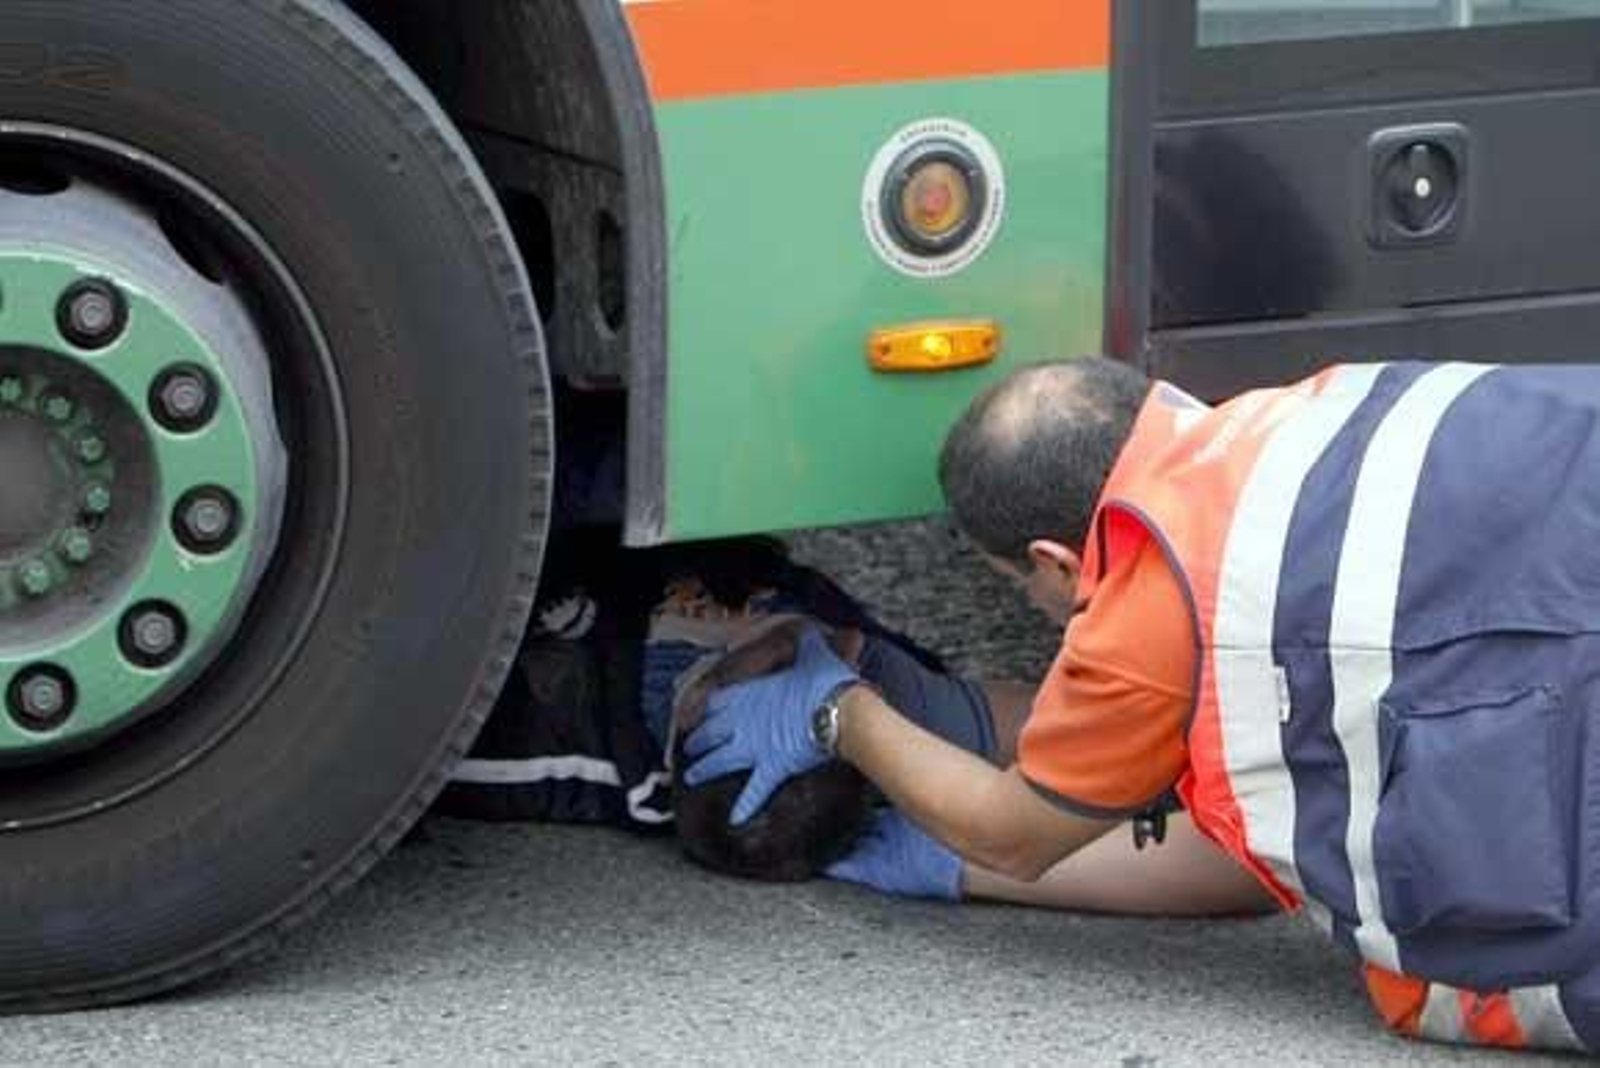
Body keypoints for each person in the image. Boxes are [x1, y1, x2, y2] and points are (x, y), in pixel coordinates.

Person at [683, 357, 1600, 1054]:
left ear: (1055, 561)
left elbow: (1016, 832)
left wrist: (841, 713)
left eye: (1021, 589)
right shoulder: (1288, 421)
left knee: (1452, 958)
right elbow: (1187, 722)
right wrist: (953, 712)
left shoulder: (1151, 595)